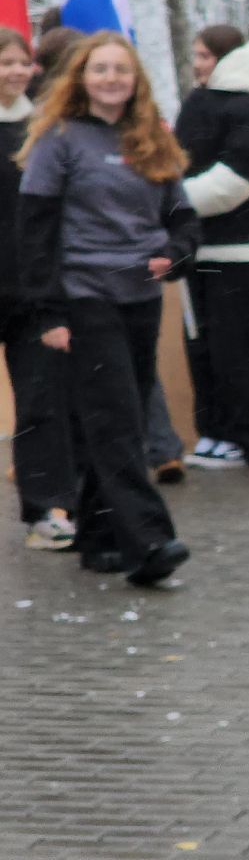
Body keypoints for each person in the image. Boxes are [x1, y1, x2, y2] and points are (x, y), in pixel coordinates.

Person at [18, 32, 199, 586]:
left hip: (141, 298)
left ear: (135, 80)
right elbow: (35, 231)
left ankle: (99, 540)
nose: (111, 78)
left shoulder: (152, 138)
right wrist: (49, 314)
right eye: (100, 69)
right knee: (119, 419)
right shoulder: (60, 139)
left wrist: (175, 255)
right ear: (81, 78)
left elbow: (183, 218)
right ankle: (148, 542)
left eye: (121, 69)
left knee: (115, 416)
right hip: (83, 295)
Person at [172, 25, 249, 469]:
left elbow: (235, 181)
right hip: (198, 248)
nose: (197, 64)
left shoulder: (247, 110)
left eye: (204, 56)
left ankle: (244, 437)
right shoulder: (205, 102)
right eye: (195, 55)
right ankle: (213, 431)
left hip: (239, 252)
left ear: (228, 58)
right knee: (203, 347)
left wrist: (169, 199)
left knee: (238, 349)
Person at [0, 29, 79, 551]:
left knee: (41, 405)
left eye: (21, 62)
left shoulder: (46, 129)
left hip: (32, 292)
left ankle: (45, 511)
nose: (14, 71)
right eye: (4, 62)